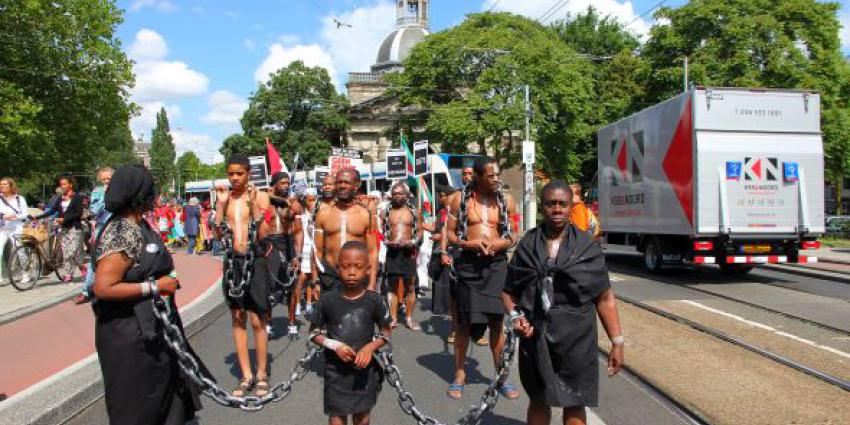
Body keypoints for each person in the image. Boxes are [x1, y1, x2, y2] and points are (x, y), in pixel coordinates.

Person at [91, 164, 206, 424]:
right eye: (150, 189)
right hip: (130, 337)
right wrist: (155, 287)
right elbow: (104, 287)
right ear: (138, 193)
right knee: (139, 405)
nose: (155, 196)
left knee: (167, 399)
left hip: (152, 329)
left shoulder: (139, 224)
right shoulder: (122, 232)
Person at [503, 180, 625, 425]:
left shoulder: (587, 247)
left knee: (575, 401)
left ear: (571, 206)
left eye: (562, 204)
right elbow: (508, 292)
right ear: (542, 207)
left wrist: (617, 342)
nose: (557, 209)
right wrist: (517, 316)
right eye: (550, 204)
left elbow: (604, 297)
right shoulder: (528, 244)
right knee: (538, 399)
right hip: (535, 335)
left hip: (577, 338)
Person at [445, 156, 520, 400]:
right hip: (468, 265)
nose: (496, 178)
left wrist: (500, 243)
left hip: (497, 265)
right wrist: (470, 243)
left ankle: (501, 376)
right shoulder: (459, 199)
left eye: (497, 174)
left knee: (497, 322)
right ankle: (459, 374)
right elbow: (450, 234)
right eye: (491, 175)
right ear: (477, 177)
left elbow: (514, 233)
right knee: (464, 323)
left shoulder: (506, 199)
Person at [309, 241, 392, 425]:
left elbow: (386, 332)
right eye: (346, 267)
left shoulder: (374, 301)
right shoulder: (327, 300)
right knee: (336, 418)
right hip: (335, 370)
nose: (352, 271)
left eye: (358, 266)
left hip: (364, 370)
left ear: (368, 269)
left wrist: (370, 347)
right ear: (338, 268)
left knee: (362, 417)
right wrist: (334, 345)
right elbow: (313, 333)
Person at [214, 154, 273, 398]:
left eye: (240, 173)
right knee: (237, 318)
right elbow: (217, 237)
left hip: (255, 261)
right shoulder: (225, 200)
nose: (235, 178)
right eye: (231, 173)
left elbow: (265, 235)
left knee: (258, 320)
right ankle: (245, 375)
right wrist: (219, 206)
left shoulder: (260, 197)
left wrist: (254, 206)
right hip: (233, 262)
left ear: (248, 173)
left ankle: (261, 374)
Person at [314, 168, 379, 293]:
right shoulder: (323, 214)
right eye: (338, 182)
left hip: (358, 276)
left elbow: (372, 251)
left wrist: (372, 282)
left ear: (356, 185)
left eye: (346, 182)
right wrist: (315, 280)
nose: (342, 186)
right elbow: (317, 251)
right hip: (330, 276)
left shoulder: (366, 214)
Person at [262, 171, 303, 337]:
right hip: (270, 245)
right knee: (268, 287)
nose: (286, 186)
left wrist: (297, 255)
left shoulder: (293, 203)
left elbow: (298, 231)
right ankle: (268, 323)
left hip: (287, 244)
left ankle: (292, 323)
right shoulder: (265, 202)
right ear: (275, 184)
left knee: (291, 287)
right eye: (282, 183)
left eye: (288, 183)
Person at [383, 181, 422, 330]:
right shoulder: (386, 211)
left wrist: (412, 241)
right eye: (394, 193)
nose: (396, 196)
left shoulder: (413, 211)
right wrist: (387, 241)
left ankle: (409, 318)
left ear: (406, 195)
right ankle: (392, 318)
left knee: (410, 286)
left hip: (408, 253)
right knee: (392, 286)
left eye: (399, 193)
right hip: (392, 253)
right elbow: (379, 232)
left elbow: (419, 231)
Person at [75, 167, 113, 304]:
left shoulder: (120, 190)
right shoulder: (98, 192)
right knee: (95, 258)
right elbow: (95, 210)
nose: (106, 181)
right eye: (103, 179)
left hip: (118, 226)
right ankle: (87, 291)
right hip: (102, 226)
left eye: (109, 178)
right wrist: (105, 197)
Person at [427, 185, 454, 335]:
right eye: (439, 195)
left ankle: (453, 315)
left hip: (451, 252)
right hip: (440, 251)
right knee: (441, 281)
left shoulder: (455, 211)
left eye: (442, 195)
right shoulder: (441, 212)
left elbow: (451, 231)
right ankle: (444, 309)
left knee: (450, 284)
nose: (440, 198)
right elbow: (438, 228)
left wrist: (443, 240)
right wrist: (421, 223)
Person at [52, 175, 85, 283]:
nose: (62, 186)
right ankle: (68, 274)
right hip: (64, 229)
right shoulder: (60, 198)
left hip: (75, 227)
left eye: (64, 184)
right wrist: (37, 217)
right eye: (61, 184)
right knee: (66, 253)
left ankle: (82, 267)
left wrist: (64, 219)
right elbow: (52, 210)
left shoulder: (77, 197)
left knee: (73, 252)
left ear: (70, 184)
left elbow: (78, 213)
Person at [0, 177, 30, 283]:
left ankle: (25, 273)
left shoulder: (19, 199)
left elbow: (25, 214)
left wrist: (14, 216)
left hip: (16, 228)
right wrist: (2, 216)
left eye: (4, 184)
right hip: (2, 229)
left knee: (20, 251)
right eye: (1, 184)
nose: (2, 186)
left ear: (11, 186)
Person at [297, 188, 319, 315]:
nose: (311, 202)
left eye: (314, 199)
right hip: (304, 247)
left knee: (313, 277)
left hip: (315, 246)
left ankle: (310, 303)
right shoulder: (300, 211)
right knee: (302, 277)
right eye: (309, 199)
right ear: (305, 200)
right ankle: (298, 303)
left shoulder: (318, 212)